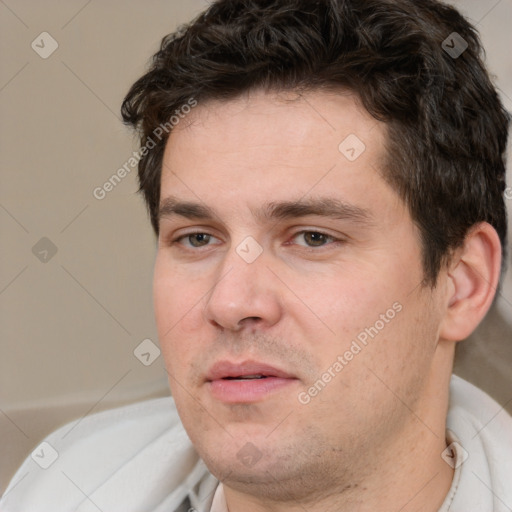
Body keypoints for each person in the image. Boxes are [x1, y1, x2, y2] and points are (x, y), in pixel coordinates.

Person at [1, 0, 511, 510]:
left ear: (462, 283)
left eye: (313, 237)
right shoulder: (58, 486)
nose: (229, 302)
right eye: (197, 238)